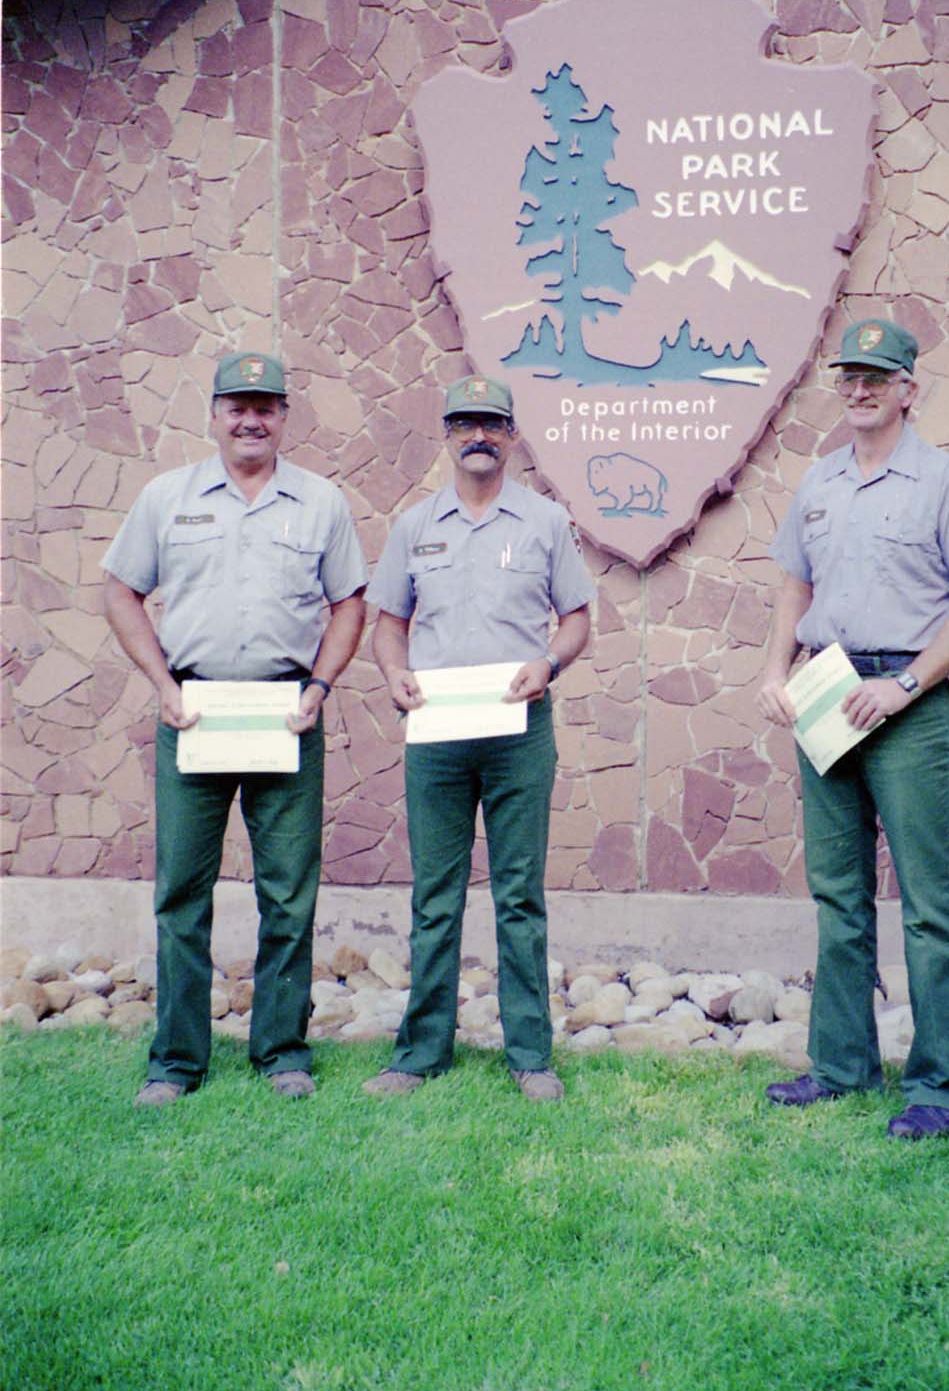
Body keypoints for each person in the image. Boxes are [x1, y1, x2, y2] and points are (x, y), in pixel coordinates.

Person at [755, 318, 949, 1140]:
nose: (859, 389)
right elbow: (795, 584)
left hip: (906, 700)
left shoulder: (944, 481)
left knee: (929, 903)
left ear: (908, 388)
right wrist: (773, 669)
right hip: (828, 691)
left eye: (877, 376)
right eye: (849, 377)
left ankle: (945, 1088)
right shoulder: (820, 483)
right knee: (837, 892)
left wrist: (904, 685)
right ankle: (841, 1067)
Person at [102, 352, 367, 1106]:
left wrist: (319, 687)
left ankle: (282, 1051)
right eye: (237, 405)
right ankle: (176, 1061)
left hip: (287, 714)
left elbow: (350, 602)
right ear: (214, 414)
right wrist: (160, 685)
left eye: (267, 405)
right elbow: (120, 591)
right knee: (182, 891)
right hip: (194, 713)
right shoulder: (167, 498)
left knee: (288, 892)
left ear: (285, 417)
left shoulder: (320, 503)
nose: (251, 419)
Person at [363, 374, 593, 1103]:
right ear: (447, 435)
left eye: (491, 424)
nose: (478, 436)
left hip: (518, 729)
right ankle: (421, 1052)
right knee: (436, 895)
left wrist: (549, 662)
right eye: (465, 424)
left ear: (512, 436)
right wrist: (394, 673)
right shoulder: (414, 526)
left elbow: (580, 619)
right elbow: (388, 624)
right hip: (436, 730)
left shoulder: (545, 523)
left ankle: (530, 1055)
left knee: (519, 893)